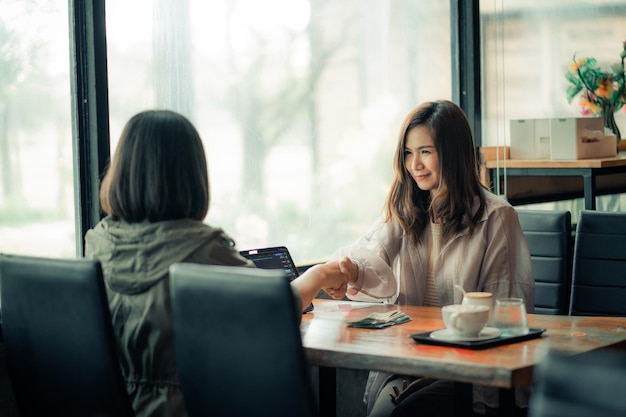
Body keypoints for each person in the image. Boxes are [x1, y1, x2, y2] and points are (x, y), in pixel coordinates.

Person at [84, 109, 345, 417]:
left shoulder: (98, 242)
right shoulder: (200, 248)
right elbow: (277, 308)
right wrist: (322, 273)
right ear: (191, 176)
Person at [302, 100, 534, 417]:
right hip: (411, 362)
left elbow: (504, 320)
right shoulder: (408, 211)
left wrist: (431, 375)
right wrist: (337, 274)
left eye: (425, 151)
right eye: (409, 154)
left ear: (453, 153)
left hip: (471, 373)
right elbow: (367, 254)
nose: (415, 165)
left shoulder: (496, 217)